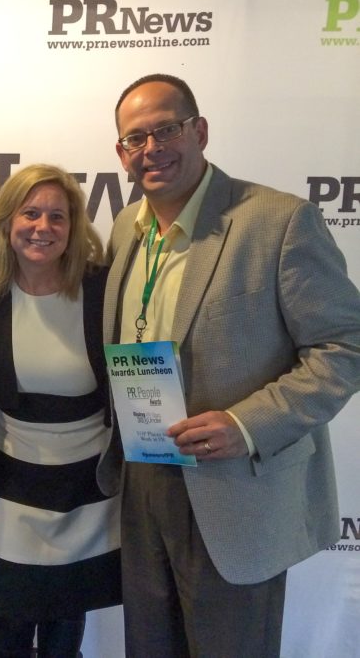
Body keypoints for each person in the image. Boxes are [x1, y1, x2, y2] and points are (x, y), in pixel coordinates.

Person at [101, 73, 360, 657]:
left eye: (166, 129)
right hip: (143, 480)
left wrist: (245, 425)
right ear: (121, 154)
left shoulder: (279, 221)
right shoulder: (126, 228)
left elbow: (345, 346)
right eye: (135, 138)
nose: (151, 149)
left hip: (236, 493)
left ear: (200, 131)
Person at [0, 164, 121, 658]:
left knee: (66, 615)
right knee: (8, 612)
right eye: (30, 213)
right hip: (10, 480)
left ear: (73, 228)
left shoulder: (103, 289)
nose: (42, 227)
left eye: (57, 216)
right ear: (8, 221)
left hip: (84, 483)